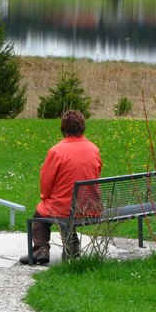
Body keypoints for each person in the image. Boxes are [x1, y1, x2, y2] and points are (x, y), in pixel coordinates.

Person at [20, 110, 102, 265]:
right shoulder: (93, 149)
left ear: (63, 128)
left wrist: (45, 197)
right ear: (82, 128)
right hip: (91, 205)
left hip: (66, 208)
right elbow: (96, 173)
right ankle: (72, 246)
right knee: (66, 207)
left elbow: (46, 182)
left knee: (41, 214)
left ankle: (40, 249)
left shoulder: (57, 151)